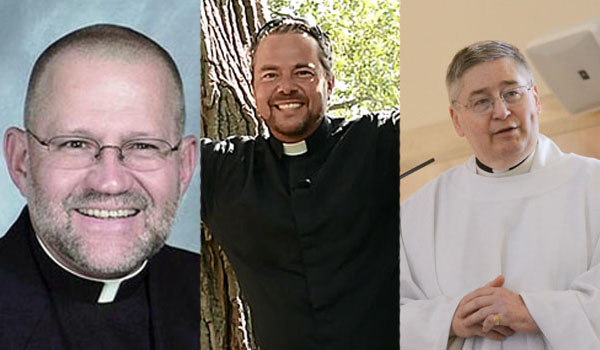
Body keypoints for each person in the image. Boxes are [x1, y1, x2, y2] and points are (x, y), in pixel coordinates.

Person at [201, 17, 399, 350]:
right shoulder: (225, 173)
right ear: (253, 88)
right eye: (270, 75)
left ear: (329, 83)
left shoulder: (378, 144)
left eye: (303, 72)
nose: (286, 87)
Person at [1, 24, 199, 349]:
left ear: (185, 167)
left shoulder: (206, 288)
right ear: (21, 160)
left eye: (143, 146)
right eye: (75, 144)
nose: (110, 182)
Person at [400, 40, 600, 349]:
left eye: (512, 93)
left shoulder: (592, 185)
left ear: (535, 99)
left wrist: (534, 312)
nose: (502, 111)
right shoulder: (419, 214)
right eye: (481, 101)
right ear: (457, 120)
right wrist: (448, 319)